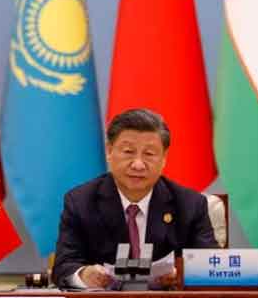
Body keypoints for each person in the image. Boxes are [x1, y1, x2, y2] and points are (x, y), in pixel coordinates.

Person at [52, 108, 218, 288]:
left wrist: (183, 275)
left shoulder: (190, 205)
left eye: (149, 154)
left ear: (164, 158)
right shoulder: (80, 202)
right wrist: (84, 274)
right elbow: (63, 267)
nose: (138, 164)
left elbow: (211, 266)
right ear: (109, 151)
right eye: (128, 151)